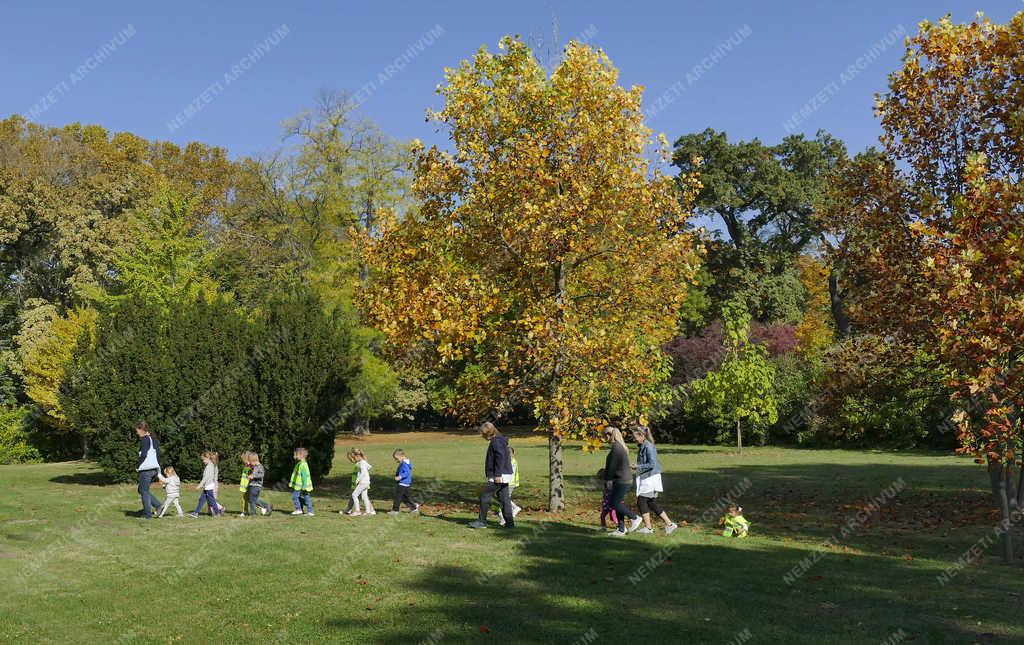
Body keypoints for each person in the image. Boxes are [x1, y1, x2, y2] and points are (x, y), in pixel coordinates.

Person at [631, 425, 678, 535]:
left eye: (635, 437)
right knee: (651, 503)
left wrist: (638, 467)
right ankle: (669, 524)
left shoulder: (648, 447)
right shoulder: (643, 445)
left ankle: (648, 528)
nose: (634, 439)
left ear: (642, 436)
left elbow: (652, 464)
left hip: (650, 478)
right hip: (648, 477)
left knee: (641, 501)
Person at [469, 422, 515, 529]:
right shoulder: (500, 440)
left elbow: (500, 457)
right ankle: (510, 523)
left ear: (488, 433)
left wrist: (498, 475)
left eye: (483, 434)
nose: (482, 436)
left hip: (499, 475)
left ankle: (482, 521)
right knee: (504, 499)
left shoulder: (496, 442)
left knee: (484, 494)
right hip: (505, 474)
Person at [602, 427, 642, 537]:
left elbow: (612, 467)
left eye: (604, 435)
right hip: (621, 479)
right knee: (617, 503)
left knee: (613, 503)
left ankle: (635, 518)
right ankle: (621, 529)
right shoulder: (618, 447)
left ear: (610, 435)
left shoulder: (616, 448)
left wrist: (607, 480)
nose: (604, 438)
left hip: (622, 480)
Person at [135, 421, 162, 519]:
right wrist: (158, 470)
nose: (137, 433)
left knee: (144, 491)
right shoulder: (154, 439)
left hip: (146, 470)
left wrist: (138, 465)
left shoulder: (145, 440)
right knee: (142, 490)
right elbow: (158, 455)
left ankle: (147, 514)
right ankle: (159, 506)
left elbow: (144, 454)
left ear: (142, 430)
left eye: (137, 431)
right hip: (154, 469)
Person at [189, 451, 222, 518]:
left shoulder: (209, 466)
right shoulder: (209, 465)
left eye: (203, 459)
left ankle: (217, 513)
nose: (203, 461)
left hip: (209, 487)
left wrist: (200, 485)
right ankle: (196, 513)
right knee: (201, 500)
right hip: (207, 487)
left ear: (208, 458)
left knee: (212, 501)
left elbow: (206, 478)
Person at [343, 448, 375, 516]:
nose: (353, 460)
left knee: (354, 495)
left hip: (363, 482)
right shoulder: (362, 462)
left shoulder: (362, 463)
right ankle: (368, 511)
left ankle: (357, 511)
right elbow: (368, 468)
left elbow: (363, 473)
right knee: (364, 497)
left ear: (357, 456)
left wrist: (357, 480)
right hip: (366, 482)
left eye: (353, 458)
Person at [388, 449, 419, 515]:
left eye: (397, 459)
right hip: (405, 484)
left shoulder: (404, 464)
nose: (396, 460)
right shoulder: (405, 463)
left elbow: (406, 473)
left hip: (402, 484)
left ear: (402, 456)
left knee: (397, 497)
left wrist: (400, 477)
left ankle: (395, 510)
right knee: (405, 498)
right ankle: (414, 508)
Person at [289, 447, 314, 516]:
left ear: (301, 455)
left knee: (295, 496)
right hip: (300, 485)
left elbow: (304, 476)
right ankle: (310, 511)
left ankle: (299, 509)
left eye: (295, 455)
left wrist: (304, 485)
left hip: (301, 486)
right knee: (305, 497)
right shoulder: (300, 463)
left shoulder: (302, 465)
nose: (294, 456)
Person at [247, 452, 272, 517]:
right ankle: (267, 506)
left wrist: (253, 476)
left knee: (252, 500)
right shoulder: (254, 467)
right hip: (252, 485)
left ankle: (253, 513)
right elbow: (252, 472)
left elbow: (261, 475)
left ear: (254, 460)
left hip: (256, 486)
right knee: (254, 499)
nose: (250, 463)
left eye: (250, 461)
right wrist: (250, 469)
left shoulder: (260, 466)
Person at [238, 451, 252, 517]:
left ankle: (264, 507)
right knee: (245, 499)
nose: (243, 462)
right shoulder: (246, 466)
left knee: (251, 499)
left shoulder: (250, 466)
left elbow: (250, 477)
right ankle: (245, 511)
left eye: (243, 460)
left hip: (249, 486)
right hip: (246, 487)